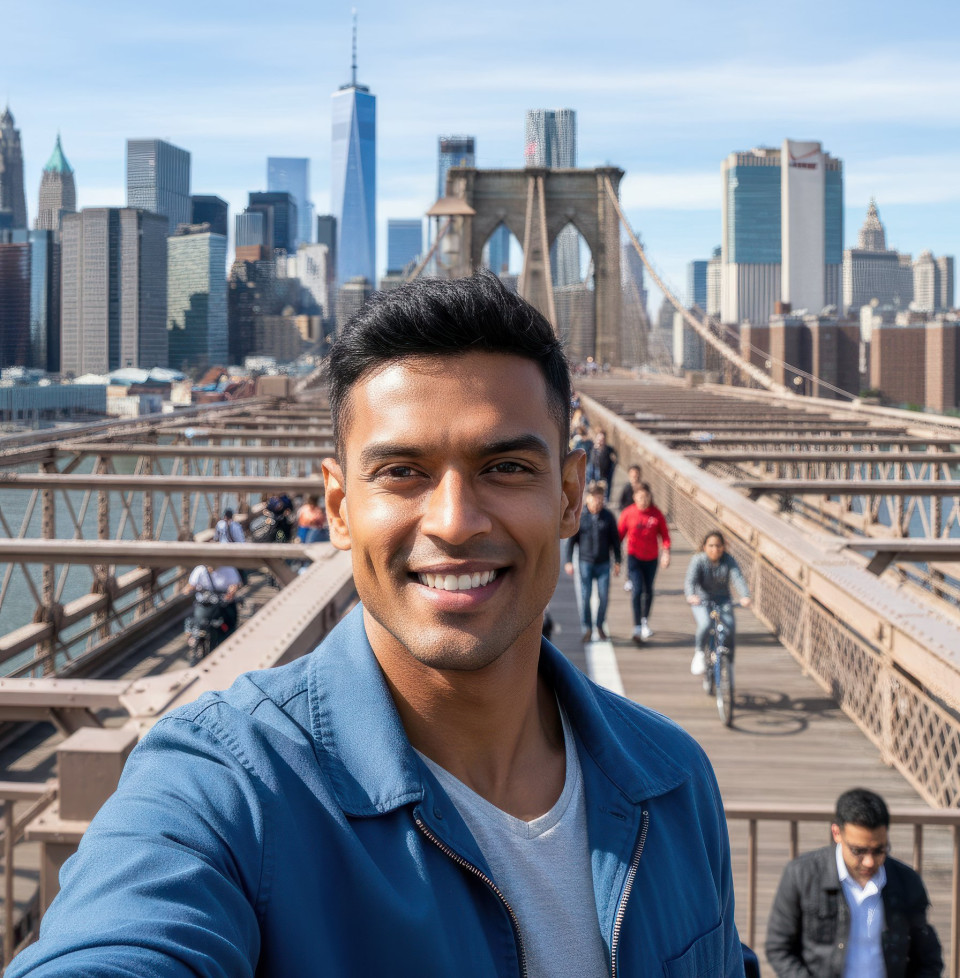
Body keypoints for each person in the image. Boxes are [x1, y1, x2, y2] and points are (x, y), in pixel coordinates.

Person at [8, 272, 744, 978]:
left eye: (508, 468)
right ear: (336, 506)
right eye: (402, 473)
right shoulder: (226, 790)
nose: (455, 522)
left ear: (571, 494)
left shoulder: (678, 784)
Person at [765, 787, 943, 978]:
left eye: (879, 850)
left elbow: (929, 959)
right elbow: (778, 947)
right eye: (858, 851)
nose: (869, 861)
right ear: (836, 833)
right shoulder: (801, 875)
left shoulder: (907, 882)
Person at [684, 530, 751, 677]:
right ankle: (700, 653)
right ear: (704, 547)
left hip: (723, 599)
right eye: (711, 546)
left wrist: (745, 595)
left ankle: (729, 662)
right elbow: (690, 581)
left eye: (718, 546)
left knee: (729, 628)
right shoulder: (698, 560)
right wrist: (691, 595)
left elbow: (737, 578)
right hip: (702, 600)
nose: (715, 550)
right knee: (706, 624)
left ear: (723, 547)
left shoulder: (728, 560)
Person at [563, 482, 621, 642]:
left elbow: (615, 541)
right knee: (585, 595)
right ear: (588, 499)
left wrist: (618, 561)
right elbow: (571, 541)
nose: (598, 503)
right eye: (595, 499)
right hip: (585, 562)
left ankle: (600, 625)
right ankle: (587, 627)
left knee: (603, 596)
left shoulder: (608, 517)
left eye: (600, 499)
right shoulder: (582, 517)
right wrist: (568, 561)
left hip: (603, 563)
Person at [617, 481, 670, 644]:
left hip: (652, 558)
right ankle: (637, 625)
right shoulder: (628, 513)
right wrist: (616, 559)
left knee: (649, 590)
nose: (643, 500)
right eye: (640, 497)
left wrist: (666, 553)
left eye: (646, 497)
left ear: (650, 497)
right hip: (634, 557)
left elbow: (665, 536)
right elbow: (618, 536)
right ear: (634, 497)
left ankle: (645, 619)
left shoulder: (656, 514)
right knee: (637, 590)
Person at [184, 560, 242, 648]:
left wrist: (231, 593)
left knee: (229, 626)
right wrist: (189, 589)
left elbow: (235, 584)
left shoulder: (228, 568)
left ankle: (229, 641)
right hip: (204, 604)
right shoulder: (200, 570)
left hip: (223, 604)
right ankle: (194, 643)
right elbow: (190, 585)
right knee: (195, 623)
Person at [215, 505, 248, 583]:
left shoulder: (219, 524)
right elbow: (241, 540)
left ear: (224, 516)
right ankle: (242, 581)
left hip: (222, 549)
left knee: (225, 568)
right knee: (238, 567)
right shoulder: (236, 526)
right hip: (233, 549)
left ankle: (227, 582)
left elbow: (216, 537)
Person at [585, 428, 617, 494]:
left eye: (602, 440)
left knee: (604, 493)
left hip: (604, 475)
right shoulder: (592, 448)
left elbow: (614, 461)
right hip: (593, 475)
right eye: (599, 439)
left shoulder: (609, 449)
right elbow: (589, 460)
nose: (600, 441)